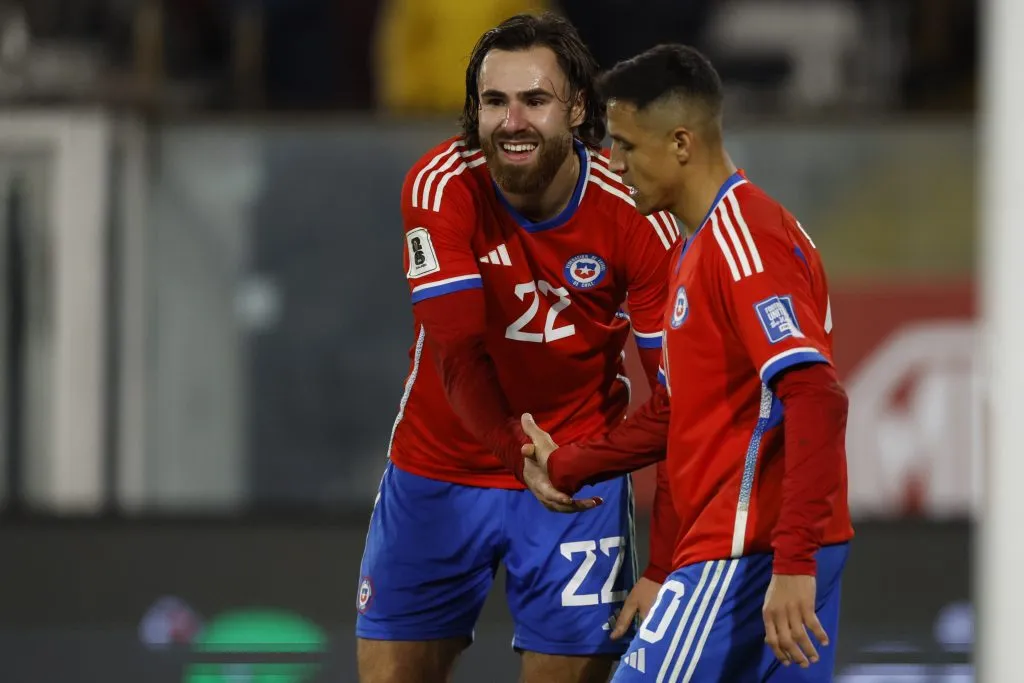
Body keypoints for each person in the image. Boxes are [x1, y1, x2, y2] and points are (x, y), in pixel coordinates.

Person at [355, 13, 683, 683]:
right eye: (494, 101)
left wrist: (663, 555)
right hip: (441, 462)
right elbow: (457, 354)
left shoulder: (637, 213)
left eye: (535, 100)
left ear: (579, 108)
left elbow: (679, 399)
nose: (512, 121)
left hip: (578, 477)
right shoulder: (442, 186)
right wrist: (516, 452)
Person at [519, 44, 854, 681]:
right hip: (754, 548)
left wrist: (791, 563)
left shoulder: (744, 240)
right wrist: (567, 462)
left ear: (680, 143)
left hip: (746, 552)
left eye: (626, 146)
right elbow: (679, 413)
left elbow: (815, 394)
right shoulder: (694, 248)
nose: (615, 166)